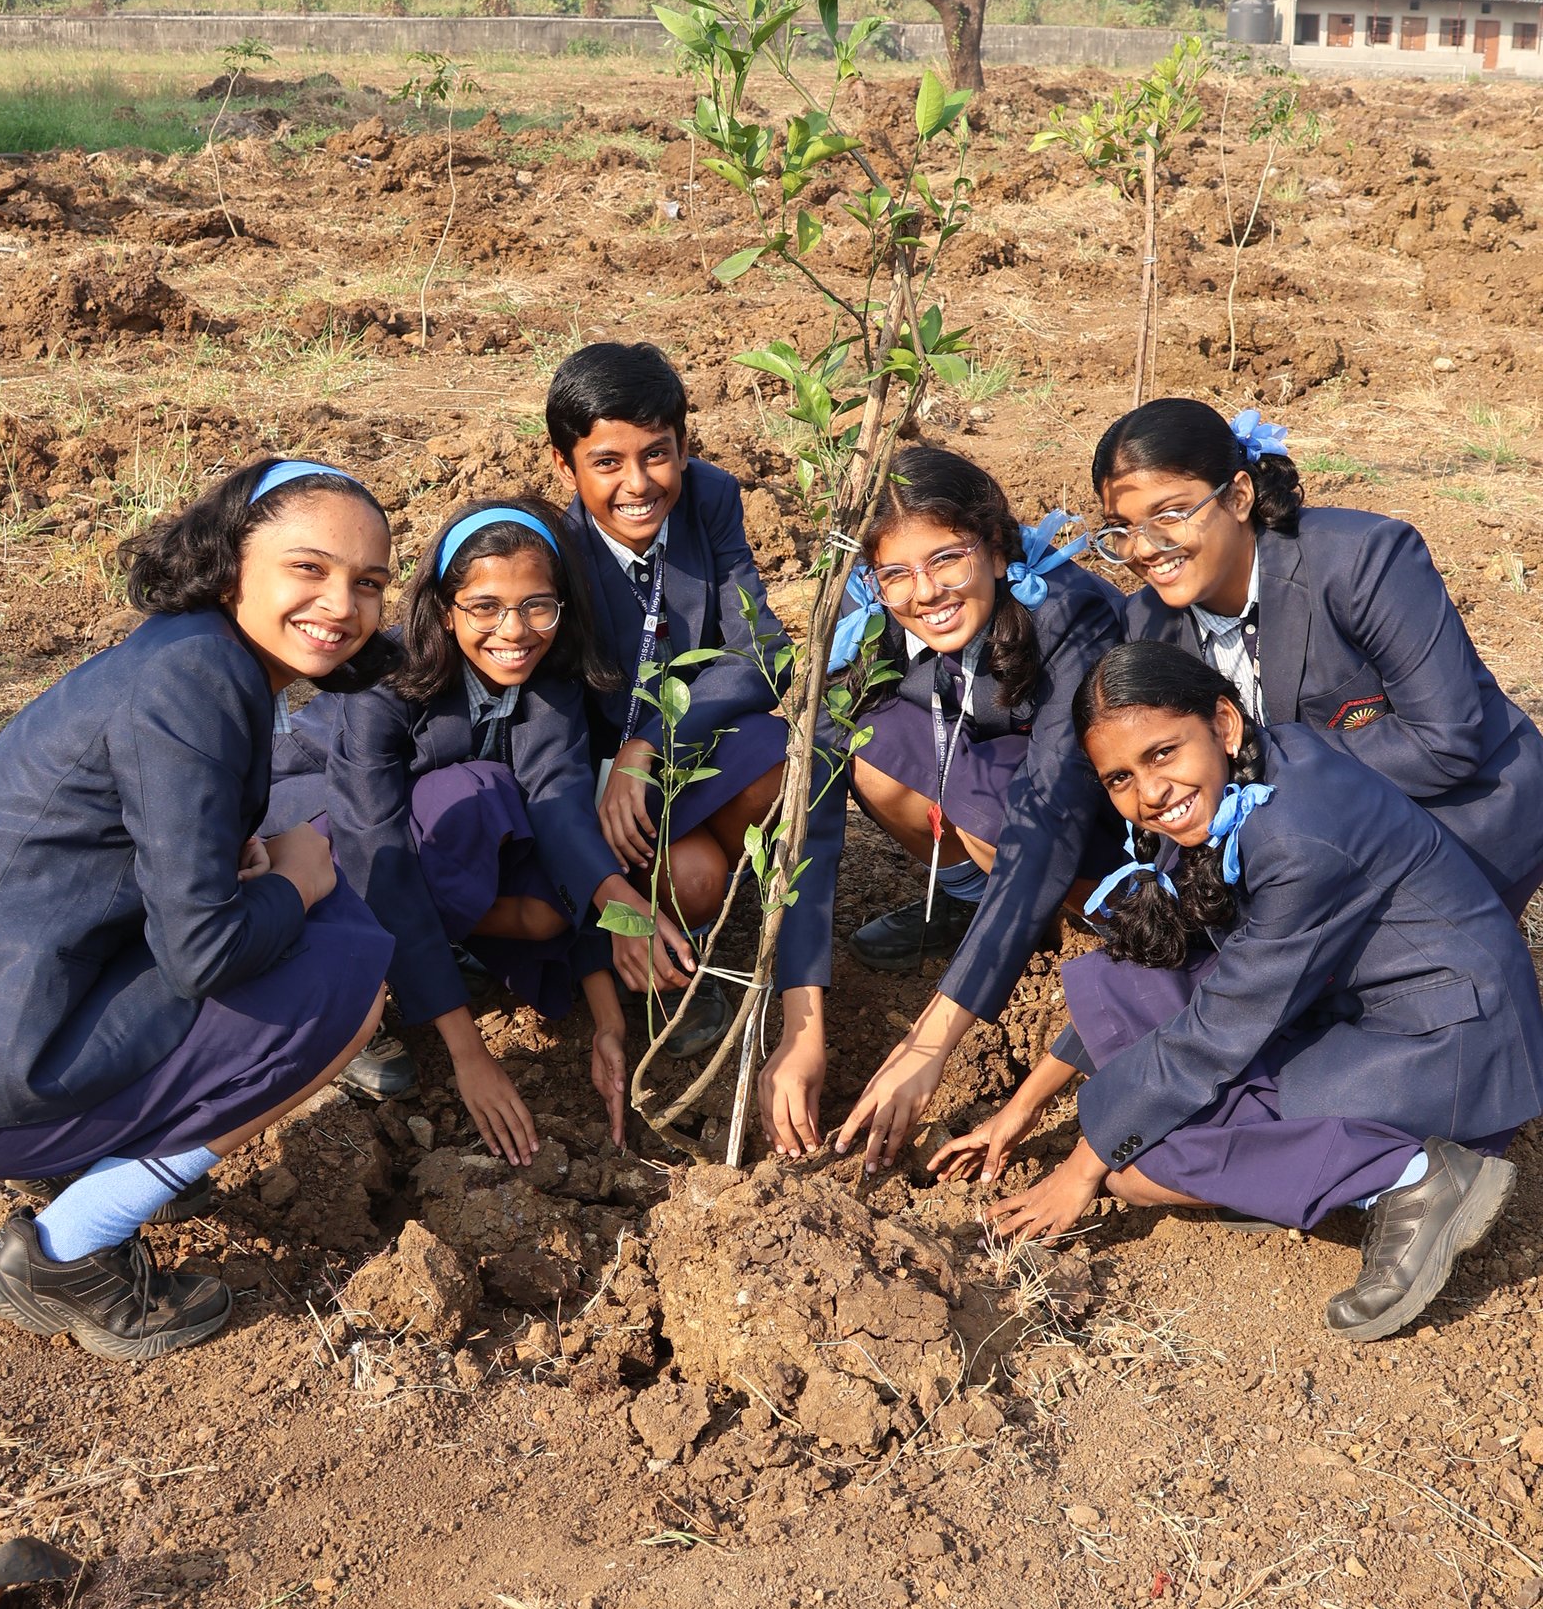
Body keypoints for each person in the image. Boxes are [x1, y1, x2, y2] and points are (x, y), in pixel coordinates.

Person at [935, 642, 1543, 1342]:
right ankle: (1295, 1170)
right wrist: (1021, 1109)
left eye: (1162, 754)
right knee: (1132, 985)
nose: (1149, 793)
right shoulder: (1241, 777)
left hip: (1449, 1048)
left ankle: (1412, 1177)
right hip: (1362, 1010)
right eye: (1120, 778)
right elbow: (1172, 972)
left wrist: (1082, 1166)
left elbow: (1215, 1032)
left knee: (1141, 1165)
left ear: (1223, 724)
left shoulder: (1297, 836)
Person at [0, 457, 395, 1362]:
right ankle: (70, 1249)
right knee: (346, 967)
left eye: (368, 582)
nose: (341, 604)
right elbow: (202, 953)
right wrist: (299, 881)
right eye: (309, 568)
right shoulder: (196, 681)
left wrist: (246, 856)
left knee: (309, 919)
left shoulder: (189, 653)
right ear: (231, 564)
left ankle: (121, 1145)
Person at [266, 495, 696, 1157]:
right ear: (445, 610)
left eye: (537, 606)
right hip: (329, 830)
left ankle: (437, 952)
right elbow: (376, 851)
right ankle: (345, 992)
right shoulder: (385, 682)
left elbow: (559, 811)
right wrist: (469, 1053)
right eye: (485, 607)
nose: (514, 631)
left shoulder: (549, 681)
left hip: (437, 845)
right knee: (474, 791)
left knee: (548, 908)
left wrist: (611, 1014)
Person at [1094, 397, 1543, 915]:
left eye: (1171, 514)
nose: (1145, 548)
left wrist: (1257, 758)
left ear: (1238, 496)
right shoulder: (1147, 621)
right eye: (1121, 530)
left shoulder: (1364, 560)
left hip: (1460, 819)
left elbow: (1445, 743)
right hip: (1307, 837)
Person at [547, 341, 842, 1124]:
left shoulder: (709, 499)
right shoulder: (549, 551)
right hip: (589, 786)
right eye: (607, 462)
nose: (638, 483)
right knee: (699, 877)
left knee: (788, 760)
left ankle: (687, 932)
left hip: (672, 755)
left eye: (657, 454)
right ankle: (635, 947)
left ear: (684, 447)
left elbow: (763, 655)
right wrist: (614, 769)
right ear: (564, 465)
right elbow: (547, 748)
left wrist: (648, 743)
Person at [826, 447, 1123, 1172]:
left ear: (994, 549)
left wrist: (930, 1041)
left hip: (1092, 814)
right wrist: (802, 1012)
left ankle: (1093, 932)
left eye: (947, 560)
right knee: (869, 745)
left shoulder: (1069, 613)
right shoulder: (871, 608)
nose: (924, 592)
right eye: (897, 573)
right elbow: (820, 758)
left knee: (998, 813)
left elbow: (1051, 812)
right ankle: (968, 907)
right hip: (982, 765)